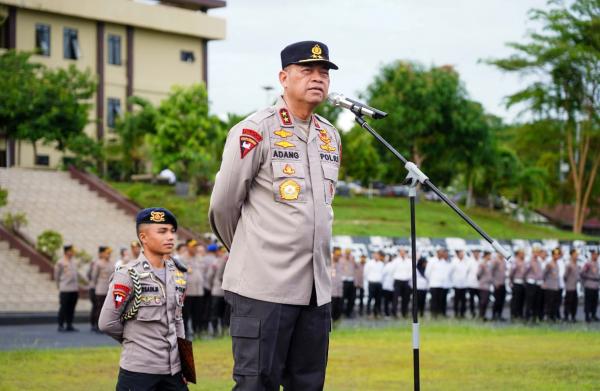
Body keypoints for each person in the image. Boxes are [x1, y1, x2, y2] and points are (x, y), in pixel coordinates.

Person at [208, 40, 340, 390]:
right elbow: (223, 206)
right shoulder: (255, 130)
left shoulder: (330, 137)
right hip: (262, 289)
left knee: (308, 384)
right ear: (283, 77)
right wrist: (253, 252)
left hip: (315, 291)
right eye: (307, 70)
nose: (318, 78)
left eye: (324, 72)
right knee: (256, 385)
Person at [99, 207, 188, 390]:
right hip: (139, 372)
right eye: (162, 231)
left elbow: (178, 321)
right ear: (143, 237)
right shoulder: (128, 275)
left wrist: (186, 366)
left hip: (174, 372)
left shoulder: (177, 274)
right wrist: (136, 340)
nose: (170, 237)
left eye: (172, 231)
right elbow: (107, 322)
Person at [54, 245, 80, 332]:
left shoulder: (74, 262)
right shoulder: (60, 262)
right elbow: (56, 275)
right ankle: (60, 325)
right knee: (63, 307)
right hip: (65, 288)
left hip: (74, 288)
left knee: (72, 308)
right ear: (67, 251)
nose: (72, 253)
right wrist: (58, 285)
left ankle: (69, 324)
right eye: (71, 251)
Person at [182, 239, 205, 337]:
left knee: (198, 313)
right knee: (186, 314)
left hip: (199, 291)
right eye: (192, 246)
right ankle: (186, 332)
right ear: (187, 247)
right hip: (188, 291)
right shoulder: (182, 258)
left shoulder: (199, 257)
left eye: (195, 246)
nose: (194, 248)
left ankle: (197, 332)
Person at [91, 246, 115, 333]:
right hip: (100, 290)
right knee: (99, 308)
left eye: (109, 253)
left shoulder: (112, 263)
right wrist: (94, 288)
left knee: (107, 309)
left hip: (109, 290)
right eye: (107, 253)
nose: (109, 255)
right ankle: (97, 325)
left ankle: (106, 326)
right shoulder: (98, 263)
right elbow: (94, 276)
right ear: (102, 254)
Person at [207, 245, 229, 336]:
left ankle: (221, 331)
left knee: (223, 314)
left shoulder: (222, 260)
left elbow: (209, 276)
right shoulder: (215, 262)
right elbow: (209, 276)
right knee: (217, 313)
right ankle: (217, 331)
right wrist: (211, 286)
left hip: (222, 291)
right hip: (218, 291)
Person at [426, 247, 451, 318]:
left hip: (442, 285)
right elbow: (427, 273)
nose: (442, 254)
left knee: (441, 300)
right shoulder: (432, 261)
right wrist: (432, 280)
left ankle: (440, 313)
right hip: (434, 284)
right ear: (437, 253)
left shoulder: (444, 262)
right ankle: (433, 314)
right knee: (434, 300)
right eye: (441, 252)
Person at [524, 247, 544, 323]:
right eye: (536, 252)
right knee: (529, 302)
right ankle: (527, 318)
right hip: (531, 283)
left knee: (537, 302)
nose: (537, 254)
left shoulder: (539, 261)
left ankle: (534, 318)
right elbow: (525, 271)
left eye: (538, 252)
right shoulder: (529, 261)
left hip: (538, 283)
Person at [392, 247, 412, 318]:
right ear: (399, 252)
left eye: (404, 252)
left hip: (406, 281)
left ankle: (404, 313)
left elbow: (411, 271)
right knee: (395, 298)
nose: (403, 253)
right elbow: (392, 271)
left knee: (406, 298)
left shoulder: (409, 261)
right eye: (401, 251)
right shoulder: (396, 261)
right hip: (398, 280)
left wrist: (408, 278)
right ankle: (394, 313)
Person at [542, 248, 561, 322]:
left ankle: (552, 317)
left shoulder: (556, 263)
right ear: (553, 255)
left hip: (555, 286)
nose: (557, 256)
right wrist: (545, 282)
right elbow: (544, 274)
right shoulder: (549, 264)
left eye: (558, 254)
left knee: (554, 303)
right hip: (549, 286)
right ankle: (547, 316)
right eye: (555, 254)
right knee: (549, 303)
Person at [365, 250, 385, 319]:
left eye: (378, 255)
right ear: (373, 255)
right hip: (372, 283)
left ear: (379, 256)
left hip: (379, 283)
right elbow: (366, 273)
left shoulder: (381, 264)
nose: (377, 256)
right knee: (370, 299)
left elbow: (383, 274)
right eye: (375, 255)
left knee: (378, 299)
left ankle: (376, 313)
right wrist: (370, 279)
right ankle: (368, 313)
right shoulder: (369, 263)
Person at [450, 249, 469, 319]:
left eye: (463, 253)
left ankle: (462, 314)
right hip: (456, 284)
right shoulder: (454, 262)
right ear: (458, 254)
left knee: (463, 300)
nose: (462, 255)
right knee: (456, 300)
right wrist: (453, 281)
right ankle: (456, 314)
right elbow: (450, 273)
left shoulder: (466, 261)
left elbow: (467, 271)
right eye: (461, 253)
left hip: (464, 284)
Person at [581, 249, 599, 322]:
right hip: (589, 284)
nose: (596, 256)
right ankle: (587, 316)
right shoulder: (588, 263)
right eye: (595, 254)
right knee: (588, 301)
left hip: (596, 285)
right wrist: (588, 278)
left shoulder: (597, 263)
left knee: (595, 301)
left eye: (597, 255)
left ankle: (593, 314)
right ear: (592, 255)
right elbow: (582, 272)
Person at [563, 248, 580, 322]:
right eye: (575, 254)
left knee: (574, 302)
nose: (577, 256)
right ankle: (566, 317)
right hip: (569, 287)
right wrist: (568, 282)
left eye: (577, 255)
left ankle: (573, 317)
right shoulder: (569, 265)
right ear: (572, 255)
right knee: (568, 302)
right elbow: (565, 276)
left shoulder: (576, 264)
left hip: (575, 286)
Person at [509, 249, 526, 320]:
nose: (523, 255)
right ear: (518, 254)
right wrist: (511, 281)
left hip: (523, 283)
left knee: (521, 300)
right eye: (522, 253)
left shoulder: (524, 262)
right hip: (517, 282)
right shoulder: (515, 262)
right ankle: (514, 315)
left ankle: (520, 314)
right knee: (515, 300)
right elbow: (511, 273)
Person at [477, 251, 493, 321]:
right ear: (486, 256)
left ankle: (483, 315)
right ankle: (481, 316)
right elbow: (478, 274)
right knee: (483, 301)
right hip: (483, 286)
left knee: (486, 301)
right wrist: (482, 281)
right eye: (489, 255)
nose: (490, 257)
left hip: (488, 286)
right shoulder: (482, 264)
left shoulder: (488, 264)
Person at [340, 248, 356, 318]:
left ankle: (348, 312)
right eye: (346, 253)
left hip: (351, 281)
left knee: (351, 298)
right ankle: (340, 312)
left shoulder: (352, 260)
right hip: (343, 281)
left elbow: (356, 269)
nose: (348, 255)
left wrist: (353, 261)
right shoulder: (341, 260)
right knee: (342, 298)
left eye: (349, 253)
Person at [491, 252, 507, 321]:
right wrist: (495, 282)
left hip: (503, 283)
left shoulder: (504, 261)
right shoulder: (495, 261)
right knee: (497, 301)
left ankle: (500, 315)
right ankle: (494, 315)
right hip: (497, 284)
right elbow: (491, 272)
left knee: (502, 301)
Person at [465, 248, 481, 318]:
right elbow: (466, 271)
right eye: (475, 252)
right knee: (471, 300)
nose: (476, 253)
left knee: (481, 299)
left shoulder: (481, 261)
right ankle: (472, 313)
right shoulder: (469, 261)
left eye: (477, 252)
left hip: (479, 284)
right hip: (471, 284)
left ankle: (480, 313)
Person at [331, 249, 343, 322]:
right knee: (332, 307)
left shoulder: (341, 263)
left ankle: (336, 320)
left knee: (338, 307)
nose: (338, 256)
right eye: (337, 255)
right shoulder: (329, 263)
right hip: (331, 291)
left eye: (339, 255)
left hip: (339, 290)